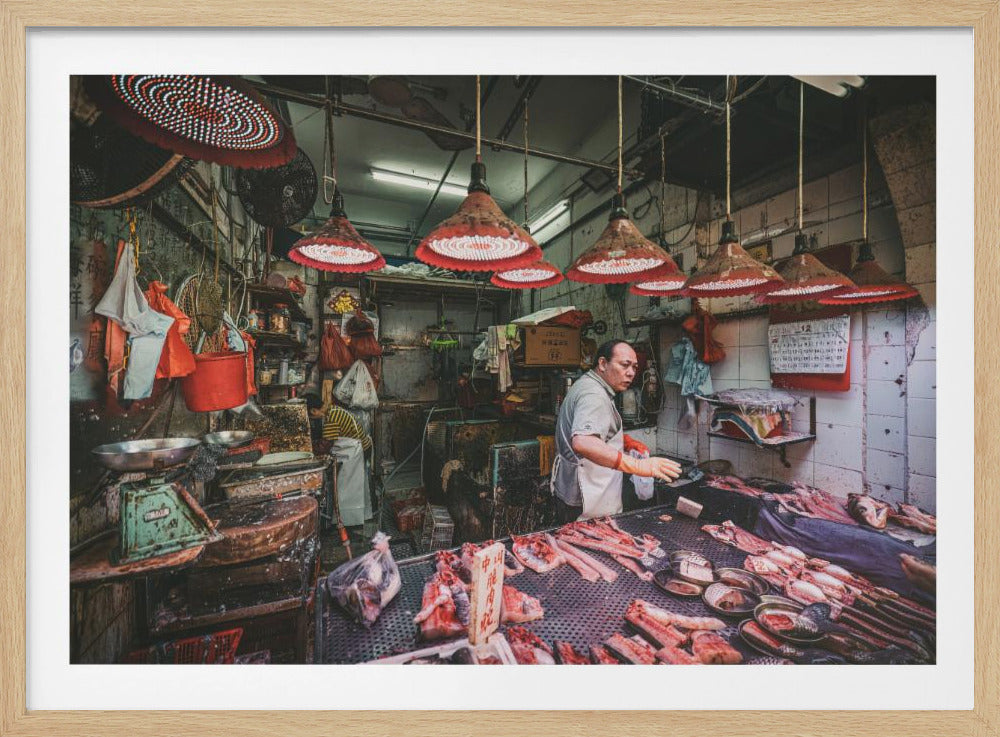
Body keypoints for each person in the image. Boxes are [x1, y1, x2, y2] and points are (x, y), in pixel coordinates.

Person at [551, 339, 682, 523]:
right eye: (624, 365)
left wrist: (624, 440)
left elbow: (593, 430)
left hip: (579, 489)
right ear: (603, 364)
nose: (630, 373)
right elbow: (583, 442)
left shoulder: (591, 385)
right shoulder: (593, 394)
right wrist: (639, 466)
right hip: (586, 495)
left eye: (635, 367)